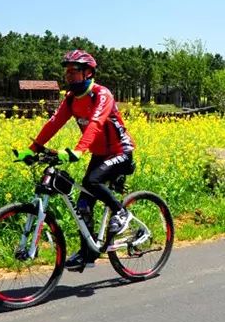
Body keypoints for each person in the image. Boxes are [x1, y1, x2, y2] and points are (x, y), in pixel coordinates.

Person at [16, 49, 136, 271]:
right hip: (99, 154)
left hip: (120, 151)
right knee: (83, 204)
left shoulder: (101, 94)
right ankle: (87, 253)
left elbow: (96, 124)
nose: (68, 75)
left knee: (92, 182)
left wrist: (79, 150)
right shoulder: (71, 99)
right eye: (67, 72)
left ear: (88, 72)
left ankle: (121, 212)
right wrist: (32, 149)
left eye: (74, 71)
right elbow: (54, 123)